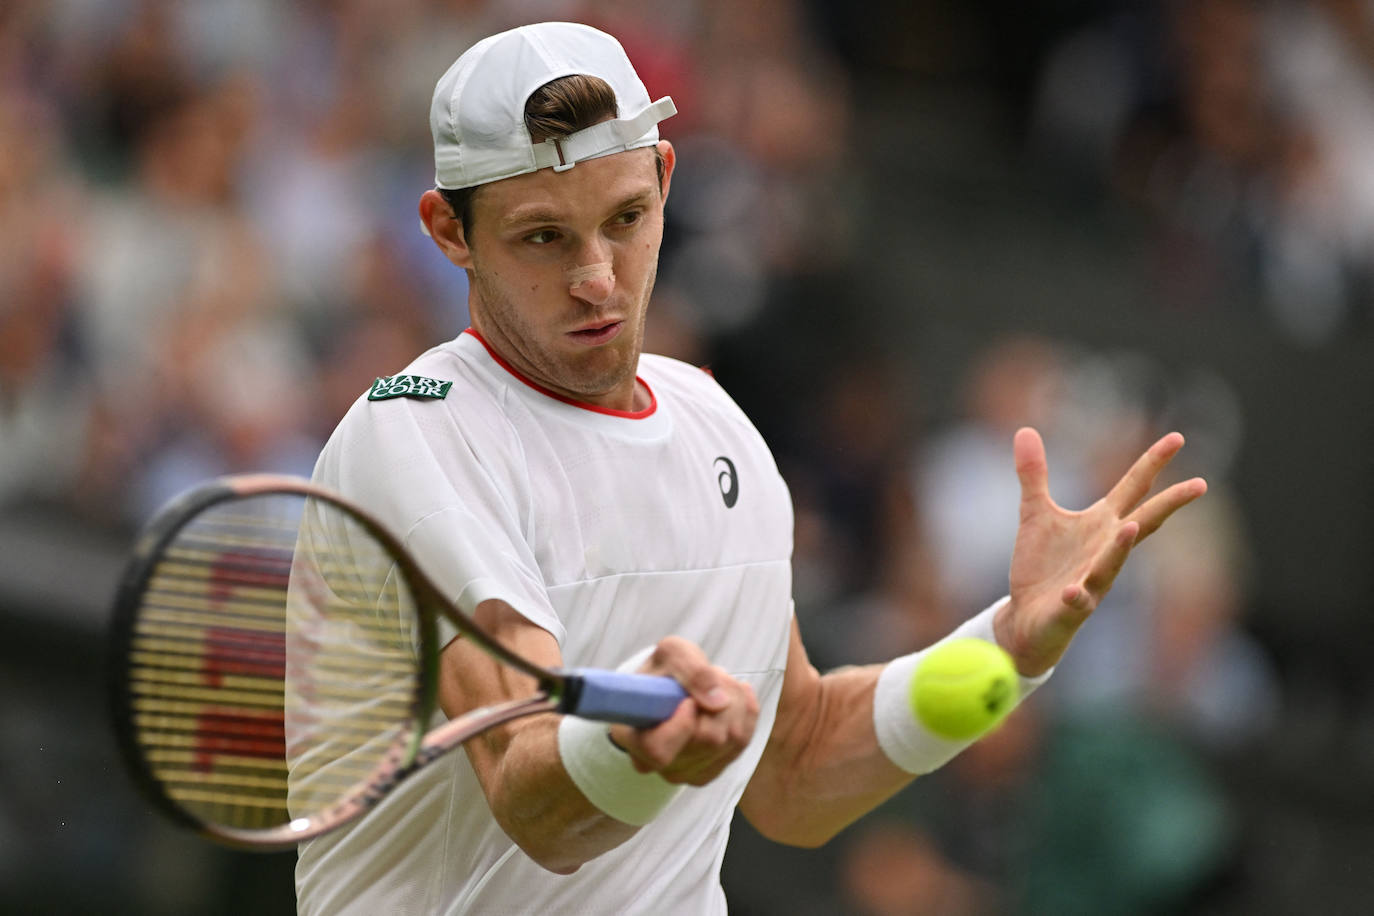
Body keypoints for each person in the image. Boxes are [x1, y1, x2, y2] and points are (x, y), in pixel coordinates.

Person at [293, 21, 1207, 915]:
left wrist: (1006, 653)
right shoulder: (415, 438)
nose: (599, 277)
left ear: (665, 179)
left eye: (626, 219)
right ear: (448, 230)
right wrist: (637, 750)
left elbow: (797, 769)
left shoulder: (714, 426)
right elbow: (532, 796)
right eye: (544, 238)